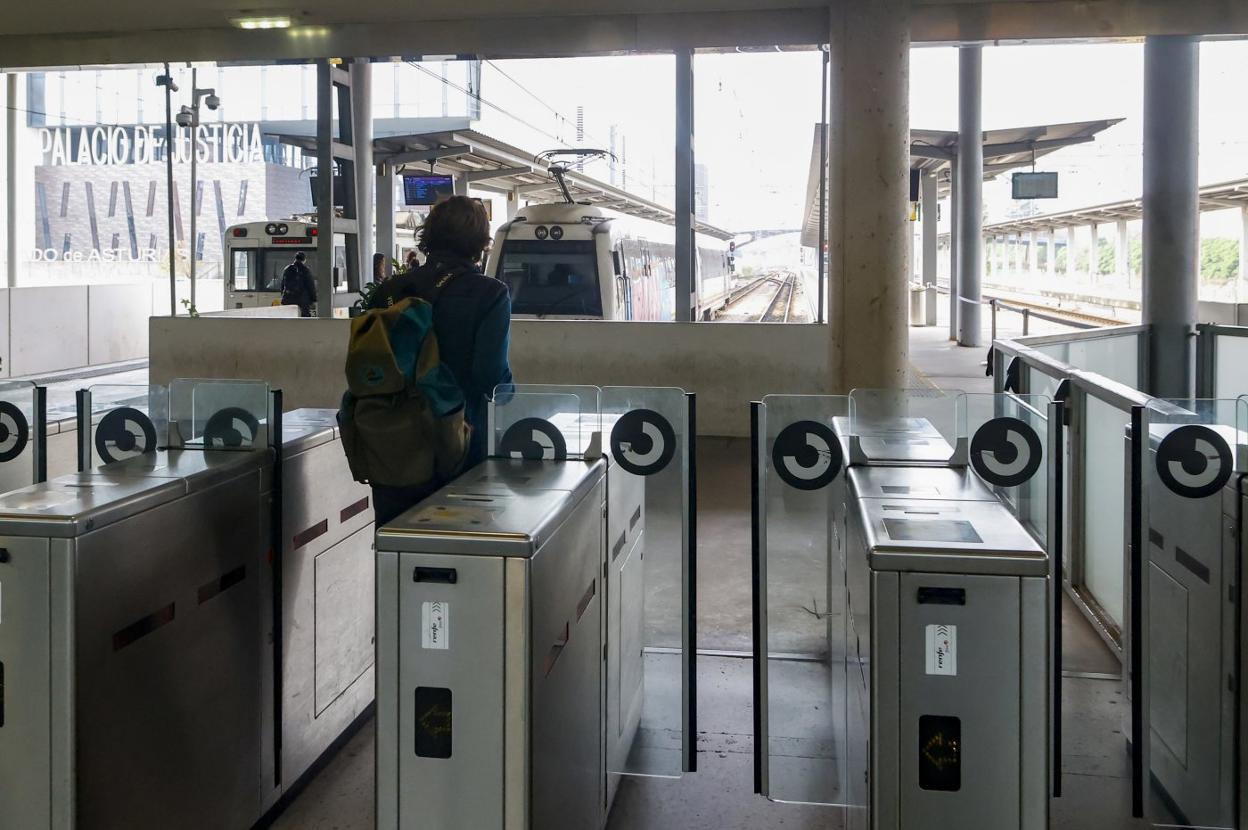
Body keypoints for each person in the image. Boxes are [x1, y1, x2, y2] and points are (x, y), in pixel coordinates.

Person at [369, 195, 513, 524]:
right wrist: (513, 395)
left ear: (428, 235)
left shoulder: (387, 292)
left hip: (390, 441)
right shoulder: (489, 294)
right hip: (458, 444)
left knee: (398, 547)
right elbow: (490, 377)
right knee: (458, 551)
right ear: (480, 243)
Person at [280, 251, 317, 317]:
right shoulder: (305, 270)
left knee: (288, 319)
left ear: (295, 258)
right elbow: (310, 286)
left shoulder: (287, 269)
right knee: (304, 321)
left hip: (288, 300)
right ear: (304, 260)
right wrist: (313, 299)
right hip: (302, 301)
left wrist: (283, 296)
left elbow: (283, 285)